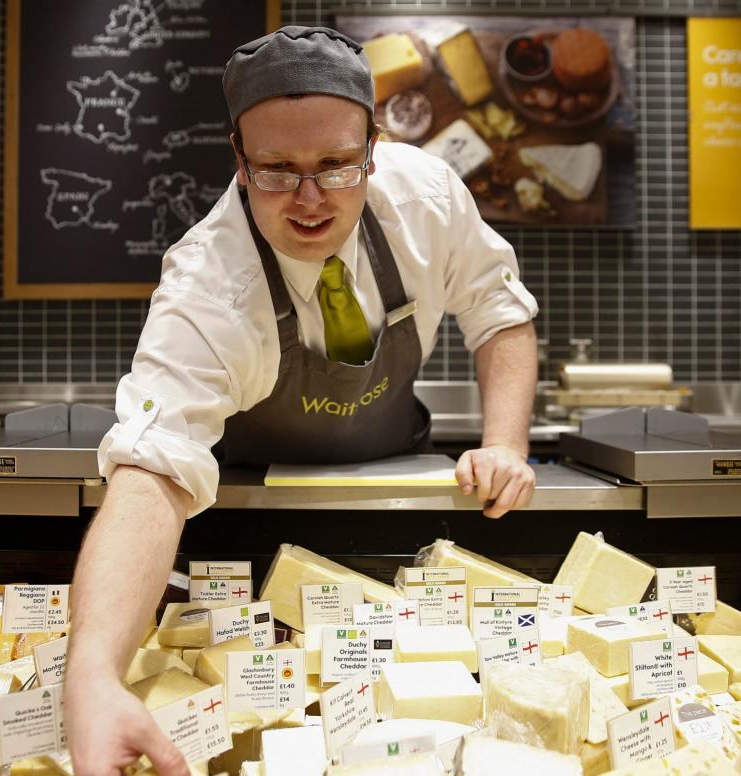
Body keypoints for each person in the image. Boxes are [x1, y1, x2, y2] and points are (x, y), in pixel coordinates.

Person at [66, 26, 540, 776]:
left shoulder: (425, 198)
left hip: (396, 519)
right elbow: (151, 471)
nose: (310, 200)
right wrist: (91, 676)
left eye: (336, 166)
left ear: (373, 146)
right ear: (238, 159)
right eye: (278, 170)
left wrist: (507, 443)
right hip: (250, 547)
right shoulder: (208, 284)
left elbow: (499, 311)